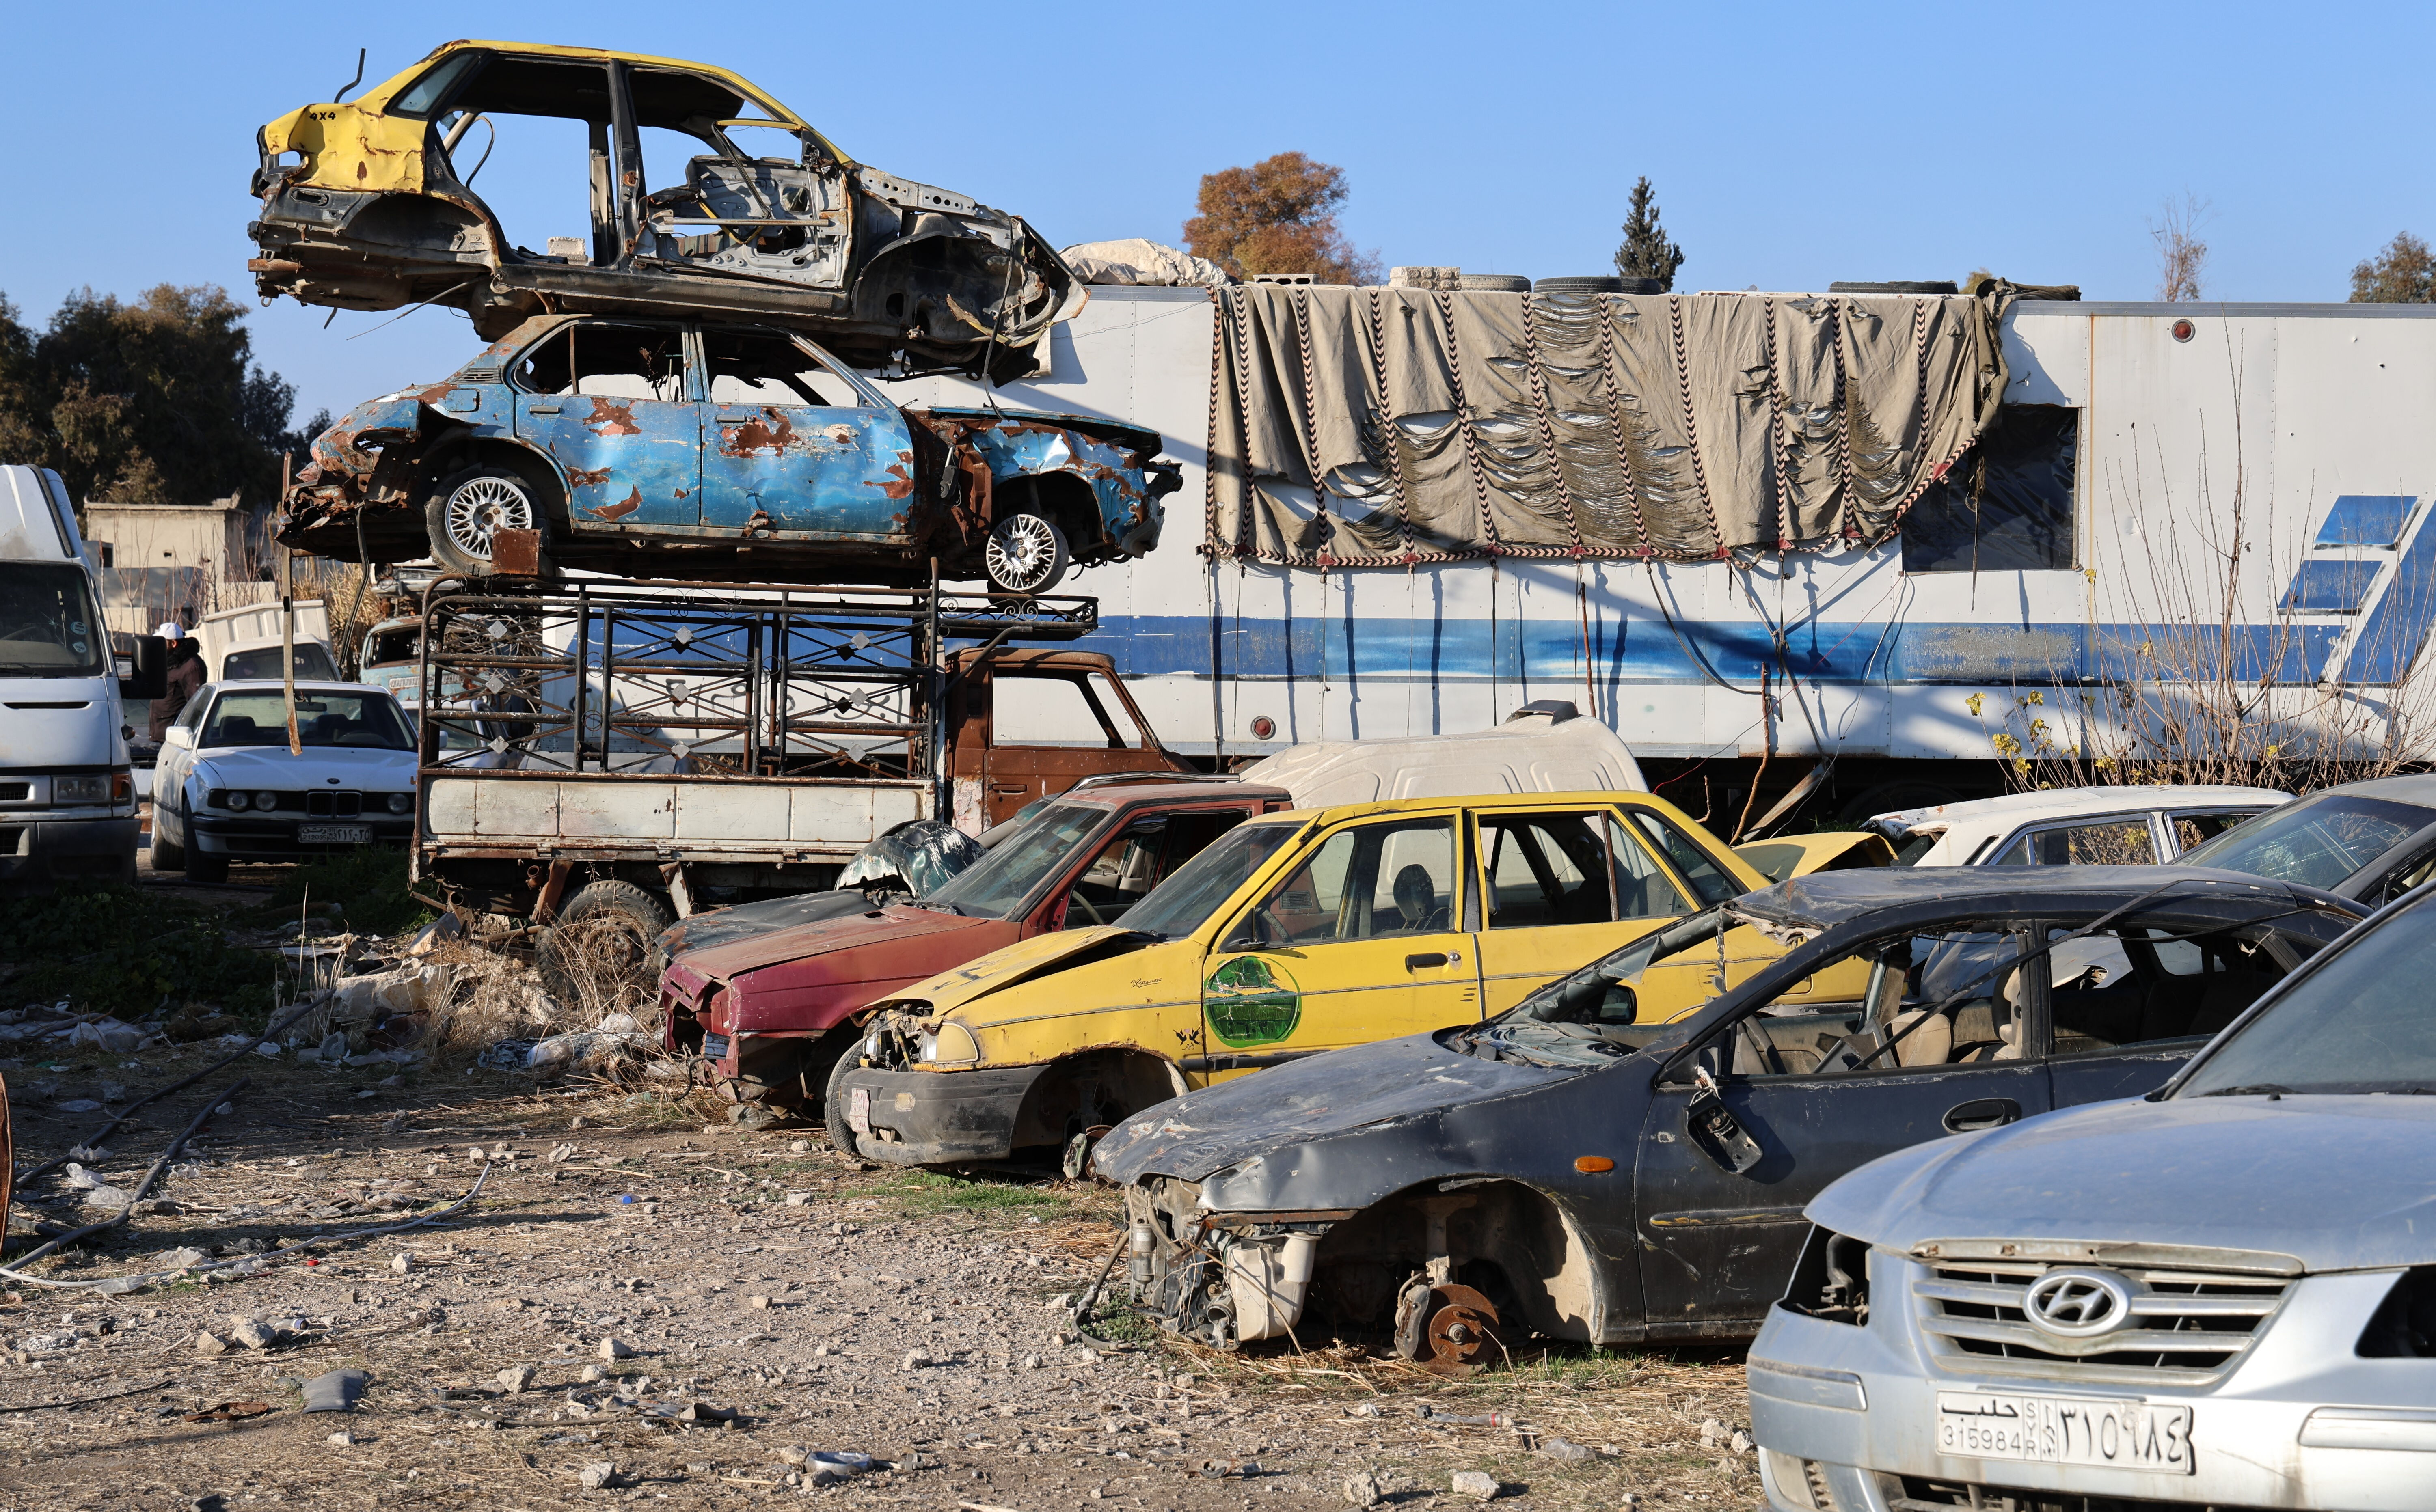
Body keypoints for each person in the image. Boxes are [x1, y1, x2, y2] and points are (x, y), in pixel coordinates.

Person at [148, 621, 205, 742]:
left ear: (173, 643)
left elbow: (197, 705)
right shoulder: (169, 662)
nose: (156, 647)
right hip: (163, 734)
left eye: (161, 643)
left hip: (177, 737)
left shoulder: (191, 665)